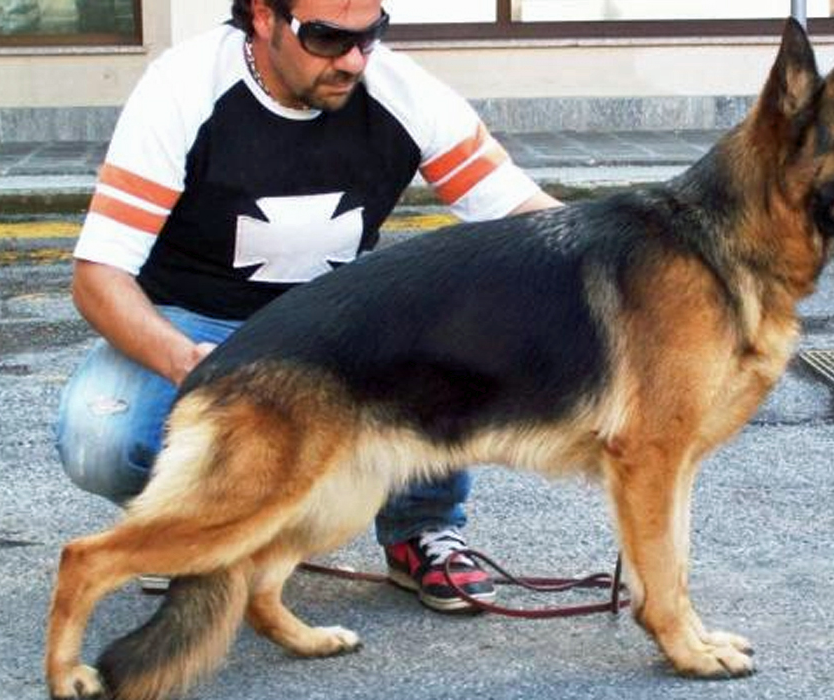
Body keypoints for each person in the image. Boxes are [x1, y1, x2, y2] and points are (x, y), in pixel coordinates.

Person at [55, 0, 562, 613]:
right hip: (193, 318)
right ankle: (191, 531)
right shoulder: (182, 88)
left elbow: (527, 220)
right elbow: (98, 277)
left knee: (451, 314)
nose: (354, 60)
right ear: (263, 17)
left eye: (370, 35)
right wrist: (188, 363)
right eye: (326, 37)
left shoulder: (404, 92)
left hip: (335, 322)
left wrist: (633, 263)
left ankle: (422, 527)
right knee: (100, 439)